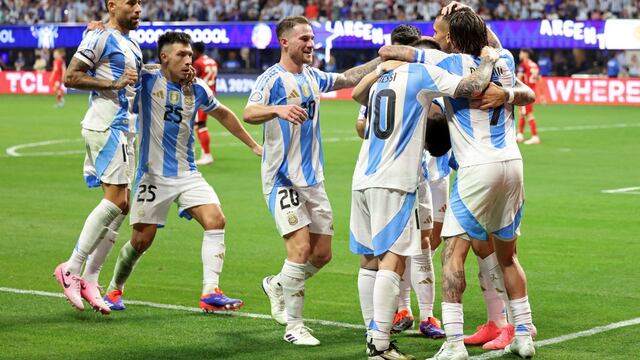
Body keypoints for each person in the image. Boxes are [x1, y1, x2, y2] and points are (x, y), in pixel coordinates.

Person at [351, 38, 501, 359]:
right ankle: (379, 345)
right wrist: (488, 60)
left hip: (362, 176)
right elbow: (472, 85)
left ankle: (372, 332)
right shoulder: (422, 73)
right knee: (394, 259)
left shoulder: (383, 77)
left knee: (369, 259)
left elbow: (355, 94)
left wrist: (381, 68)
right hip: (395, 178)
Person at [243, 15, 383, 347]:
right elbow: (250, 112)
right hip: (281, 178)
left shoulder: (312, 76)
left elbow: (348, 77)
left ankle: (278, 284)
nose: (311, 44)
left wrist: (384, 58)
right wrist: (277, 110)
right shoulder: (272, 78)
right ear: (285, 42)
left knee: (321, 255)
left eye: (312, 38)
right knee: (300, 248)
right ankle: (295, 325)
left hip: (313, 179)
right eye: (304, 38)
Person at [102, 31, 262, 312]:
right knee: (141, 240)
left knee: (216, 219)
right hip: (152, 175)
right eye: (181, 55)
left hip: (187, 172)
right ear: (164, 57)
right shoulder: (147, 79)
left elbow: (223, 113)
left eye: (190, 55)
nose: (189, 60)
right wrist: (100, 29)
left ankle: (210, 292)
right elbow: (117, 67)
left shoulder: (197, 87)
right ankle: (115, 289)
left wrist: (253, 145)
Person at [53, 0, 142, 315]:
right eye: (131, 2)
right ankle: (72, 267)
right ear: (112, 5)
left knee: (123, 205)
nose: (138, 8)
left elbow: (135, 83)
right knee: (116, 202)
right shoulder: (100, 37)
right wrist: (111, 83)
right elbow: (71, 76)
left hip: (124, 130)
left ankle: (90, 279)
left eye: (140, 2)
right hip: (107, 126)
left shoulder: (131, 44)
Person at [192, 41, 218, 166]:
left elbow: (192, 79)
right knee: (200, 124)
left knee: (200, 125)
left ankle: (207, 155)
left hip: (201, 96)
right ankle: (204, 152)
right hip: (211, 94)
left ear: (196, 50)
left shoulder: (198, 63)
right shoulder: (212, 61)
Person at [517, 49, 541, 145]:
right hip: (531, 91)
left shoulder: (523, 65)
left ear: (525, 54)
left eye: (521, 52)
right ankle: (520, 135)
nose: (519, 54)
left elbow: (519, 78)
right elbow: (538, 78)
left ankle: (535, 136)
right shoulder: (534, 65)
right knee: (522, 112)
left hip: (525, 91)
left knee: (528, 114)